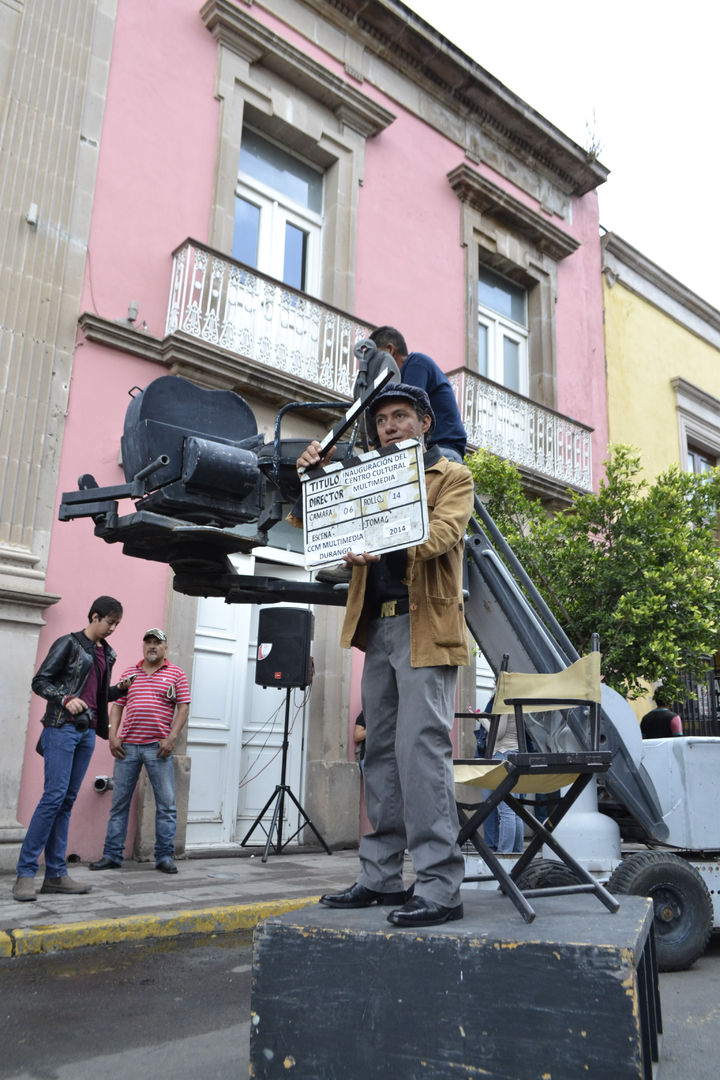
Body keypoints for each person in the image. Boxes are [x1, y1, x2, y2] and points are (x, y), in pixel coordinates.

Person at [296, 383, 474, 927]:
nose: (390, 426)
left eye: (402, 416)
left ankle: (441, 887)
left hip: (427, 629)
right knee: (377, 757)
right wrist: (310, 474)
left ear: (424, 423)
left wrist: (383, 534)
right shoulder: (363, 474)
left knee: (421, 755)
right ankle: (380, 878)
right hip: (379, 631)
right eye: (382, 420)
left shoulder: (453, 477)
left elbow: (442, 534)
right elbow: (321, 527)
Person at [13, 596, 126, 902]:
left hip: (87, 732)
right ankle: (25, 874)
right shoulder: (69, 643)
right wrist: (64, 698)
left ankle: (55, 875)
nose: (113, 628)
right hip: (61, 727)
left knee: (66, 802)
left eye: (117, 623)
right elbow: (40, 682)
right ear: (94, 616)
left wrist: (120, 690)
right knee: (53, 798)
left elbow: (96, 694)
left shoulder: (108, 653)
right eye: (110, 621)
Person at [89, 628, 191, 875]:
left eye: (157, 643)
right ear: (143, 646)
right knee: (119, 804)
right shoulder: (130, 673)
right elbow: (116, 707)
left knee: (166, 805)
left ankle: (164, 857)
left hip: (159, 749)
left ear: (165, 647)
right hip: (127, 749)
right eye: (148, 642)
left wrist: (172, 739)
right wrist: (113, 736)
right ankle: (112, 855)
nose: (152, 646)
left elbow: (183, 708)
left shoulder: (176, 674)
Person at [369, 326, 467, 462]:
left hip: (442, 451)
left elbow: (409, 406)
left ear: (389, 350)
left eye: (375, 359)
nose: (374, 367)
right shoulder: (404, 376)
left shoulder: (416, 363)